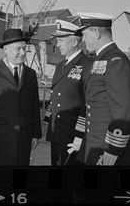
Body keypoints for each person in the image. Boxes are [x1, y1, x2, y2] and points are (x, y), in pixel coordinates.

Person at [73, 12, 130, 165]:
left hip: (108, 149)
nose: (83, 41)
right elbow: (91, 102)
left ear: (96, 33)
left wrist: (113, 148)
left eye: (84, 35)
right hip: (95, 143)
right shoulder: (100, 59)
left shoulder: (116, 61)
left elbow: (124, 109)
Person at [0, 28, 42, 166]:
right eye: (18, 49)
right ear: (5, 49)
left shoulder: (30, 74)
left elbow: (34, 106)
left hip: (24, 138)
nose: (22, 53)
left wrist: (36, 134)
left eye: (24, 49)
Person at [44, 19, 92, 165]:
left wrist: (79, 135)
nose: (57, 45)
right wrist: (48, 120)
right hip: (57, 131)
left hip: (73, 134)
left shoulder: (88, 65)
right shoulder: (60, 66)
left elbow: (88, 103)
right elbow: (55, 95)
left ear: (74, 42)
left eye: (61, 41)